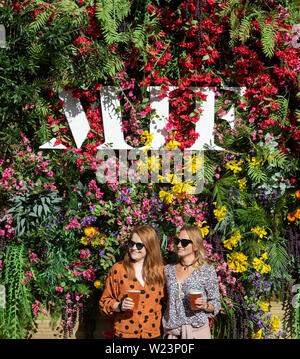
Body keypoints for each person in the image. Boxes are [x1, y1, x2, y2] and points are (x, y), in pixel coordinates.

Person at [99, 225, 165, 338]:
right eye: (131, 243)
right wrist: (120, 306)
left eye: (139, 245)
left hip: (153, 335)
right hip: (124, 334)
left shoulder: (161, 272)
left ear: (150, 246)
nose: (134, 248)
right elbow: (104, 303)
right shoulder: (118, 269)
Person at [162, 224, 221, 339]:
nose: (179, 245)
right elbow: (164, 301)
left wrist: (205, 305)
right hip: (172, 333)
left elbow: (216, 303)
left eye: (184, 242)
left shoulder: (206, 271)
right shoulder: (168, 270)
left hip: (197, 333)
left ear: (195, 246)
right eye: (177, 241)